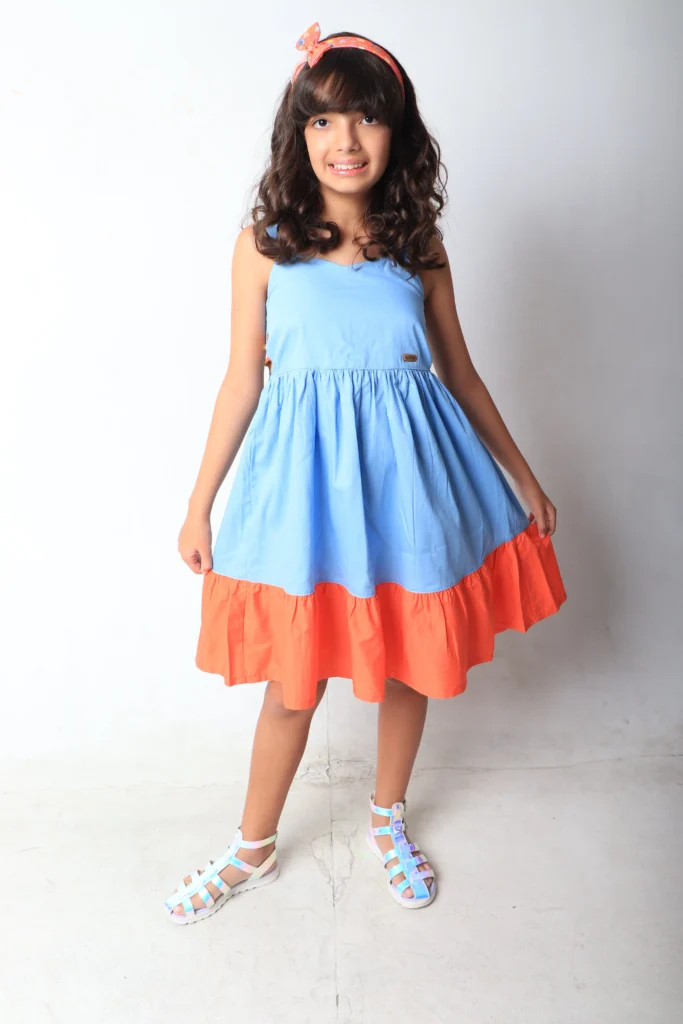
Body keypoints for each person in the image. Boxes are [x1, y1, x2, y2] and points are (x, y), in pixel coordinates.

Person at [164, 21, 567, 923]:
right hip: (305, 493)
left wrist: (524, 479)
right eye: (322, 121)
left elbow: (460, 373)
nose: (344, 141)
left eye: (366, 119)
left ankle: (387, 817)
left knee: (406, 666)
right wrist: (199, 505)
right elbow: (241, 380)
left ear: (398, 133)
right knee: (293, 684)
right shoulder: (263, 245)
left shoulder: (417, 245)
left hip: (409, 485)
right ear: (298, 134)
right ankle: (253, 847)